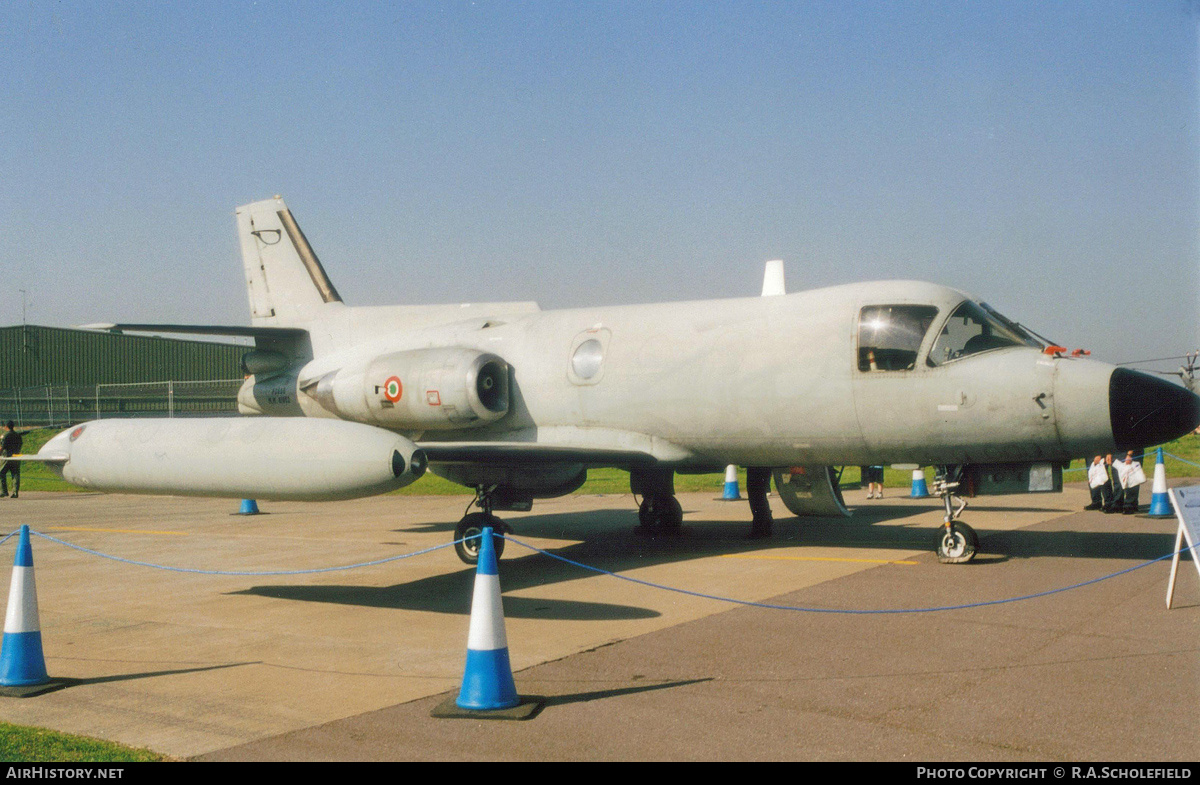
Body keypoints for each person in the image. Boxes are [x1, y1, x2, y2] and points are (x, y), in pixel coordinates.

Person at [0, 421, 21, 499]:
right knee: (15, 474)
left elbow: (2, 447)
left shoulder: (5, 435)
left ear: (6, 426)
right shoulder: (18, 435)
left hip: (7, 457)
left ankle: (4, 491)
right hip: (16, 457)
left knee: (1, 473)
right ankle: (15, 492)